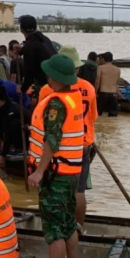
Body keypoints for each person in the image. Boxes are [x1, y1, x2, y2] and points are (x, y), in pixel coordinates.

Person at [27, 54, 84, 258]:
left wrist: (39, 171)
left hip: (55, 174)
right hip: (71, 173)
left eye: (50, 74)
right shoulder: (74, 97)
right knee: (68, 222)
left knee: (54, 228)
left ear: (56, 77)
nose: (47, 77)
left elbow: (52, 140)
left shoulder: (56, 104)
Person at [39, 46, 98, 226]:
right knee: (79, 191)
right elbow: (93, 117)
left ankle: (59, 228)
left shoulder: (48, 90)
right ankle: (77, 227)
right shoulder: (88, 88)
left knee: (54, 192)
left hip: (60, 150)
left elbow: (45, 124)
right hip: (84, 144)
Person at [19, 15, 57, 94]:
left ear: (21, 29)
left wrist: (22, 90)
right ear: (36, 27)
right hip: (57, 82)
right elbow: (37, 48)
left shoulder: (29, 46)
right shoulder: (45, 39)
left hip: (47, 86)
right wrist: (22, 50)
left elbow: (29, 74)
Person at [95, 52, 121, 117]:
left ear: (104, 59)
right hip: (113, 95)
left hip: (103, 94)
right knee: (113, 117)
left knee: (98, 115)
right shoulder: (118, 69)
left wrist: (94, 93)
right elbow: (116, 84)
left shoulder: (100, 68)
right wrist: (119, 95)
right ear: (112, 59)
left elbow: (97, 82)